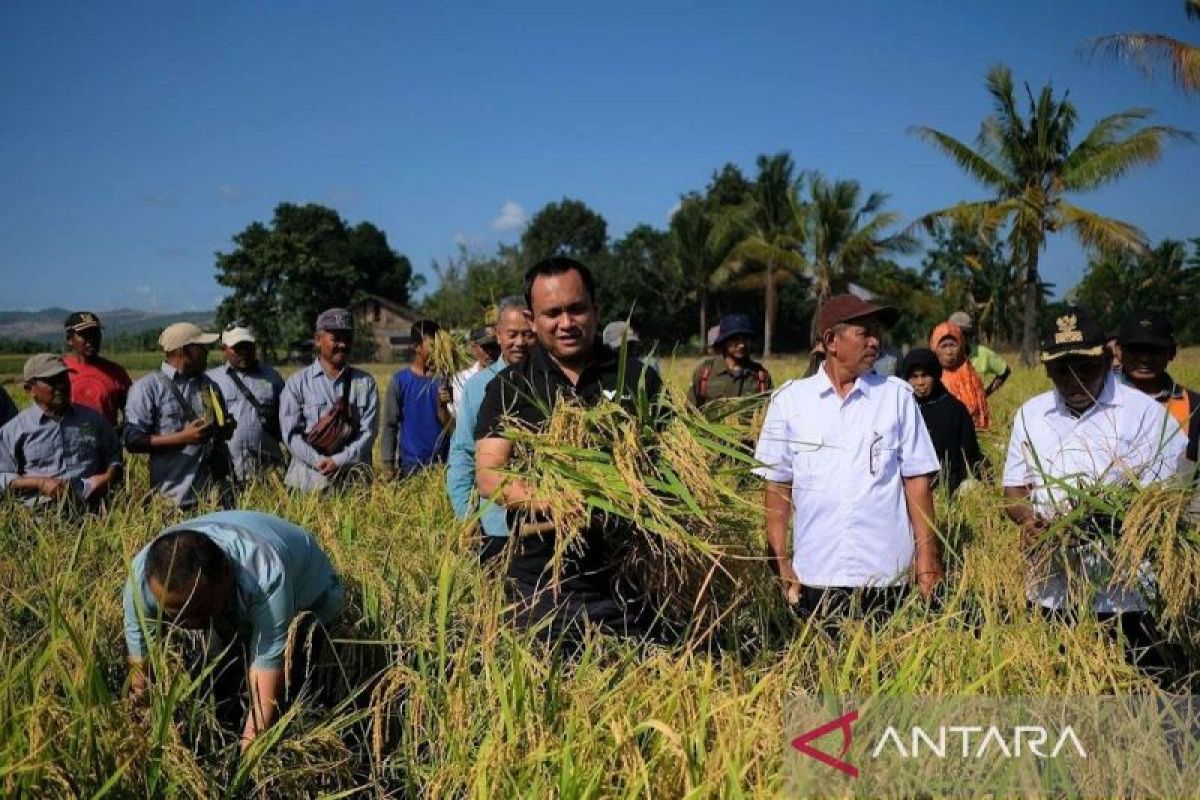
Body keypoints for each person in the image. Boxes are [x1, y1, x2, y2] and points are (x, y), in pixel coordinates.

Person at [475, 257, 663, 639]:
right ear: (531, 319)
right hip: (539, 589)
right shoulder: (510, 387)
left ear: (595, 308)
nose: (566, 323)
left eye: (576, 309)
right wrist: (550, 499)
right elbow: (489, 473)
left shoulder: (637, 378)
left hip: (627, 585)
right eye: (552, 313)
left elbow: (667, 462)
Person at [1002, 307, 1186, 678]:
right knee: (1057, 687)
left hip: (1128, 589)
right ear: (1048, 370)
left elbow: (1174, 493)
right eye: (1062, 370)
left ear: (1106, 358)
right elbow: (1013, 488)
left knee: (1136, 693)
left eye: (1084, 367)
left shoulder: (1145, 414)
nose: (1074, 379)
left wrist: (1134, 522)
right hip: (1051, 586)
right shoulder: (1031, 415)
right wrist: (1029, 519)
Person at [755, 294, 943, 622]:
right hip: (815, 572)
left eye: (877, 333)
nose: (875, 341)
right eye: (864, 332)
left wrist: (928, 556)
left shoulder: (895, 397)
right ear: (831, 341)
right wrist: (781, 560)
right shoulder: (790, 402)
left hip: (886, 574)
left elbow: (917, 482)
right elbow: (777, 487)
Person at [123, 510, 344, 752]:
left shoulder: (266, 574)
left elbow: (264, 695)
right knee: (221, 670)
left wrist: (248, 764)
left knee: (302, 672)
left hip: (310, 590)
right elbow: (141, 674)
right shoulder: (142, 582)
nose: (190, 622)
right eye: (177, 614)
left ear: (227, 573)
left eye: (198, 609)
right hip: (233, 591)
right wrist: (141, 737)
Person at [446, 297, 535, 562]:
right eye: (512, 334)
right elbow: (461, 453)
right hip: (495, 523)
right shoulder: (478, 386)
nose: (519, 342)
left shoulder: (549, 383)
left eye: (528, 334)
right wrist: (467, 515)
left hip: (544, 521)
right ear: (498, 335)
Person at [124, 323, 236, 509]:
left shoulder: (210, 385)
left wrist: (224, 428)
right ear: (185, 351)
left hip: (212, 498)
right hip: (170, 500)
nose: (208, 352)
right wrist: (183, 438)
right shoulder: (148, 388)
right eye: (202, 347)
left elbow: (220, 432)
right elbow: (132, 441)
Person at [0, 354, 122, 508]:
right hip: (39, 517)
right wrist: (40, 483)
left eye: (63, 379)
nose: (61, 386)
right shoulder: (14, 430)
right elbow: (2, 477)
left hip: (92, 514)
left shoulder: (93, 420)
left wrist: (107, 477)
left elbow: (114, 457)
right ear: (30, 389)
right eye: (51, 381)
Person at [280, 308, 379, 492]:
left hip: (353, 486)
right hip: (307, 485)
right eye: (336, 338)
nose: (342, 344)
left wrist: (338, 461)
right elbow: (290, 435)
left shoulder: (366, 383)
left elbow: (369, 433)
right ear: (318, 340)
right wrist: (318, 461)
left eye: (347, 338)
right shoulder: (297, 383)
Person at [206, 323, 286, 485]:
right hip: (229, 471)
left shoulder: (272, 377)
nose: (244, 353)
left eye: (248, 346)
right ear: (224, 349)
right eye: (237, 348)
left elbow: (287, 418)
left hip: (270, 471)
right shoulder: (211, 380)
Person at [1116, 311, 1199, 464]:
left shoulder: (1194, 406)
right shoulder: (1096, 399)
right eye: (1136, 349)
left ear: (1172, 352)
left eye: (1154, 350)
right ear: (1118, 351)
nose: (1145, 358)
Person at [898, 348, 984, 495]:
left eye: (925, 376)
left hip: (950, 486)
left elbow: (970, 453)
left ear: (936, 376)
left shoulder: (955, 409)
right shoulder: (900, 409)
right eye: (914, 377)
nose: (920, 382)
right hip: (909, 489)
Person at [381, 320, 453, 478]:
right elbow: (390, 425)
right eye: (433, 345)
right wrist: (388, 465)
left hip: (443, 464)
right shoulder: (400, 381)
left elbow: (451, 426)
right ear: (416, 347)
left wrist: (443, 406)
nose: (438, 350)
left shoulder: (445, 380)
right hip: (410, 466)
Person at [62, 311, 133, 429]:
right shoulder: (59, 370)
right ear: (70, 339)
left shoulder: (116, 372)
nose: (91, 340)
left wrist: (122, 431)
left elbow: (131, 410)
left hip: (106, 444)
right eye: (84, 335)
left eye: (95, 334)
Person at [688, 313, 773, 409]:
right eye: (735, 339)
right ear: (725, 341)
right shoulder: (705, 372)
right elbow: (690, 410)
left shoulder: (761, 376)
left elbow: (770, 415)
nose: (742, 345)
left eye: (746, 339)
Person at [930, 321, 991, 430]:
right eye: (943, 346)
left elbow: (983, 413)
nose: (949, 352)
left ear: (962, 347)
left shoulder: (971, 376)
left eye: (953, 345)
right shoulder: (931, 378)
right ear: (935, 349)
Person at [948, 311, 1010, 396]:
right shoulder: (941, 356)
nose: (959, 338)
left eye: (964, 334)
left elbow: (1005, 371)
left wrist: (986, 394)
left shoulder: (982, 353)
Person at [449, 326, 500, 419]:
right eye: (485, 347)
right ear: (473, 348)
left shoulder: (508, 374)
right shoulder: (462, 379)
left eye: (494, 347)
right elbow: (458, 414)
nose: (490, 352)